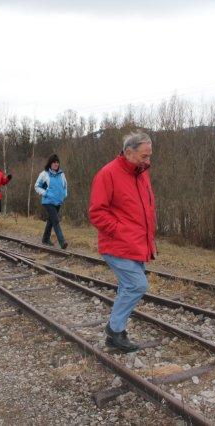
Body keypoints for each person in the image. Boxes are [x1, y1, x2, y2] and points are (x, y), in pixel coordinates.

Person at [89, 131, 156, 352]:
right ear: (128, 152)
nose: (148, 161)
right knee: (137, 285)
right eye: (144, 156)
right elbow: (97, 213)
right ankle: (114, 330)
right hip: (117, 244)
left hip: (136, 243)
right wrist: (120, 231)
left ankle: (116, 334)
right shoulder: (107, 174)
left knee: (127, 287)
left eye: (149, 156)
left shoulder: (141, 173)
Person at [35, 154, 68, 249]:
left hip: (58, 201)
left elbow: (65, 185)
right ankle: (62, 242)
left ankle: (45, 239)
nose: (56, 164)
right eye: (54, 162)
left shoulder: (61, 174)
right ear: (50, 163)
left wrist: (64, 194)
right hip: (48, 201)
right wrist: (45, 193)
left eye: (57, 162)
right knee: (56, 220)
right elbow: (37, 186)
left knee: (51, 220)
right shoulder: (44, 174)